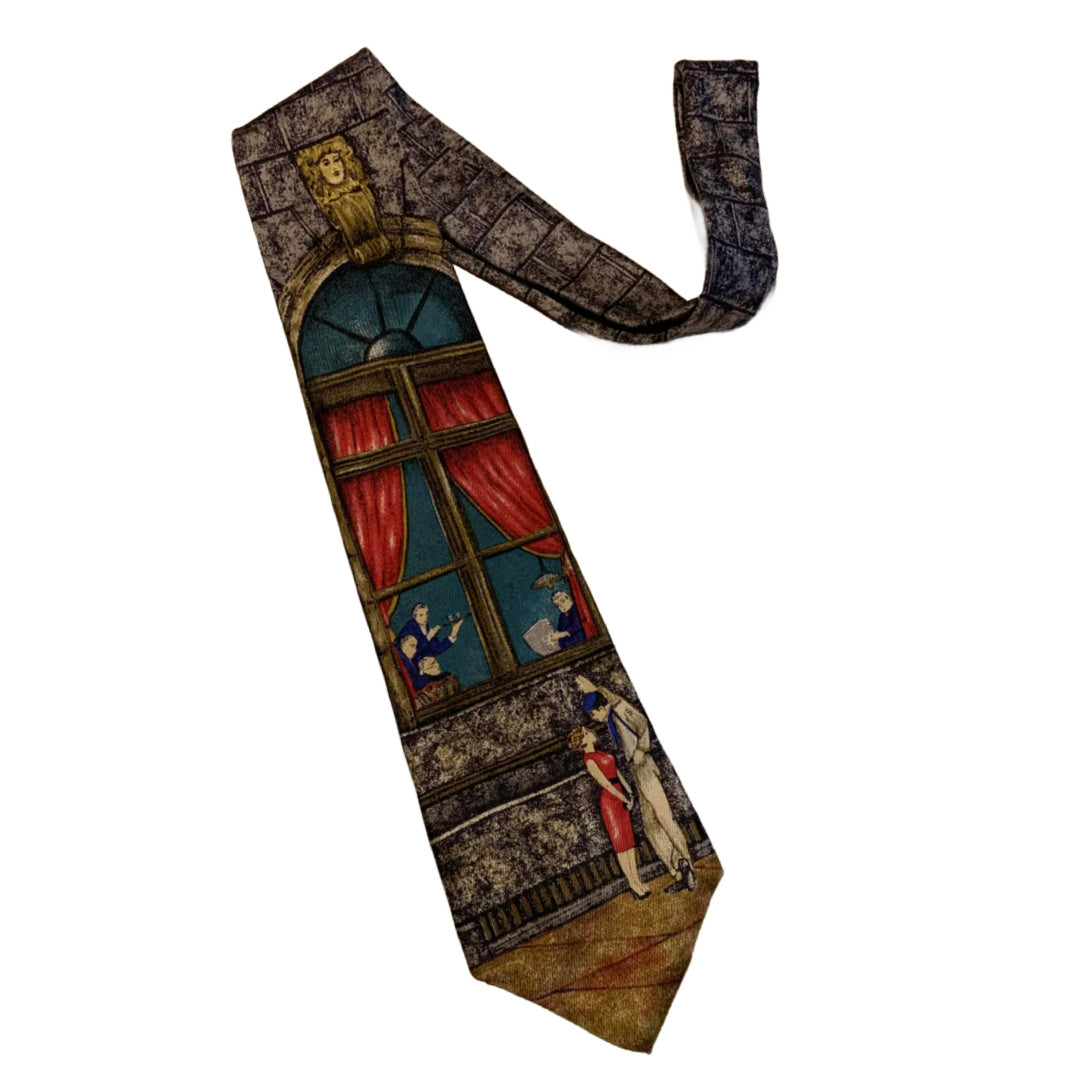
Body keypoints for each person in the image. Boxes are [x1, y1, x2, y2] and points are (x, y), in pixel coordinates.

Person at [576, 675, 698, 894]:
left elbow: (641, 722)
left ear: (601, 707)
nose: (594, 719)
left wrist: (642, 748)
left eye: (594, 713)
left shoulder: (618, 710)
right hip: (636, 772)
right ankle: (677, 869)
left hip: (644, 767)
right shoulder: (611, 720)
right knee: (651, 827)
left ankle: (687, 864)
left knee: (664, 817)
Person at [567, 725, 650, 900]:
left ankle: (637, 879)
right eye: (587, 733)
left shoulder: (601, 752)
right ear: (583, 741)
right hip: (610, 801)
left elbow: (616, 773)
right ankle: (633, 884)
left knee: (629, 841)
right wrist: (623, 798)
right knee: (620, 844)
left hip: (620, 792)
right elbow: (605, 783)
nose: (591, 733)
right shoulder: (589, 759)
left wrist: (628, 791)